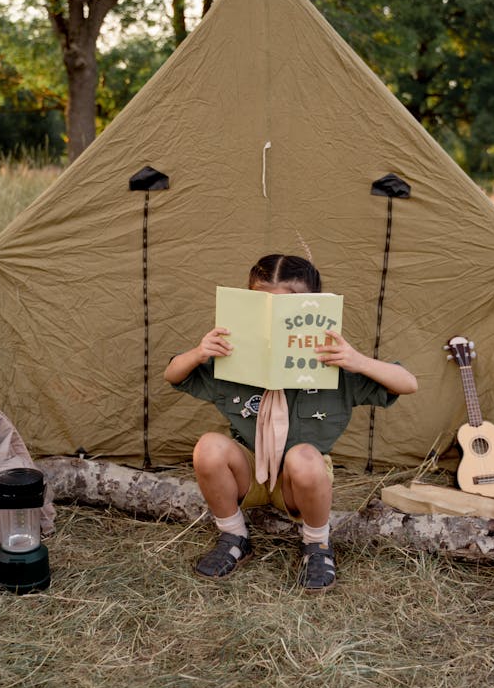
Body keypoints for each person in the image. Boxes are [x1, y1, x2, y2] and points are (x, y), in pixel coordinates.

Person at [163, 254, 418, 592]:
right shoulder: (234, 358)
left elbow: (407, 383)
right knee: (208, 446)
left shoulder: (332, 363)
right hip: (250, 475)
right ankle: (234, 537)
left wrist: (358, 361)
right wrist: (198, 352)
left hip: (298, 485)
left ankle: (316, 545)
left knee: (304, 457)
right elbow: (173, 374)